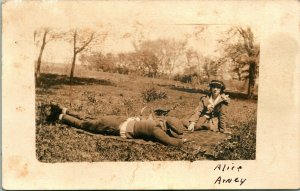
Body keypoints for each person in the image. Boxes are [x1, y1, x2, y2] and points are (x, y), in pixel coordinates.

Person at [47, 104, 186, 147]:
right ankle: (60, 116)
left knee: (89, 118)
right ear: (167, 129)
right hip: (116, 127)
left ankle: (64, 110)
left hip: (119, 119)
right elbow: (172, 143)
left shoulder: (154, 121)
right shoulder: (156, 130)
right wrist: (182, 141)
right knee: (85, 124)